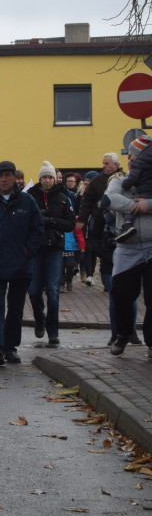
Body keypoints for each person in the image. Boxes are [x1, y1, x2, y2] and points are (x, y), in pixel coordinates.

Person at [0, 160, 45, 366]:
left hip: (20, 266)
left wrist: (27, 251)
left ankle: (11, 347)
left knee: (15, 308)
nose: (4, 179)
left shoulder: (27, 202)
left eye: (8, 175)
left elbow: (37, 230)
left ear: (14, 177)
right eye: (0, 175)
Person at [107, 140, 152, 357]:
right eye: (129, 157)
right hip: (127, 248)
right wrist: (138, 207)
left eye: (134, 156)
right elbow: (110, 199)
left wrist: (149, 204)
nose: (130, 160)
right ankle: (123, 333)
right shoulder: (120, 180)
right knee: (121, 294)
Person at [26, 161, 76, 347]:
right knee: (34, 291)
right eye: (44, 178)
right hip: (36, 249)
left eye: (50, 178)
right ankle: (40, 319)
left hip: (55, 248)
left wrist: (51, 221)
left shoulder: (63, 197)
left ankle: (53, 331)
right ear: (40, 179)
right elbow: (26, 219)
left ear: (54, 179)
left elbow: (70, 223)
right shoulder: (31, 196)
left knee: (53, 291)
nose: (47, 181)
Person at [79, 154, 124, 285]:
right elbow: (86, 200)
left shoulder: (124, 178)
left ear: (115, 165)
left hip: (121, 219)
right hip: (100, 217)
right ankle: (106, 277)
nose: (103, 166)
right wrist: (82, 219)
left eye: (107, 163)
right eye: (103, 163)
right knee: (99, 245)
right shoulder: (97, 181)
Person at [116, 135, 152, 242]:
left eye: (130, 155)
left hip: (145, 191)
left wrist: (124, 185)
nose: (130, 158)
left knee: (132, 205)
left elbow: (133, 178)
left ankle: (127, 224)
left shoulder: (138, 163)